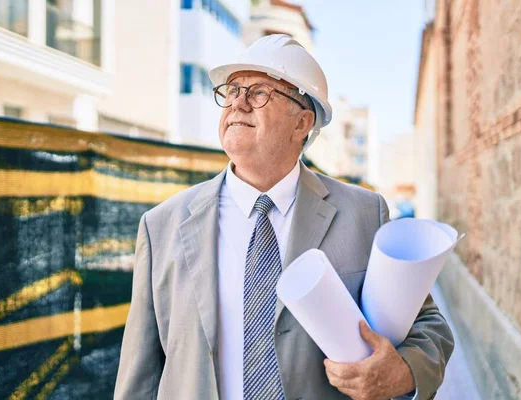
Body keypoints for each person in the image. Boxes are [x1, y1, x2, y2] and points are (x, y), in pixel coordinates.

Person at [114, 34, 454, 400]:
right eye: (232, 91)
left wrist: (400, 373)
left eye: (258, 92)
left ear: (302, 123)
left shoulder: (364, 214)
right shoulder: (161, 226)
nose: (237, 104)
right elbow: (140, 376)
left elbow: (430, 327)